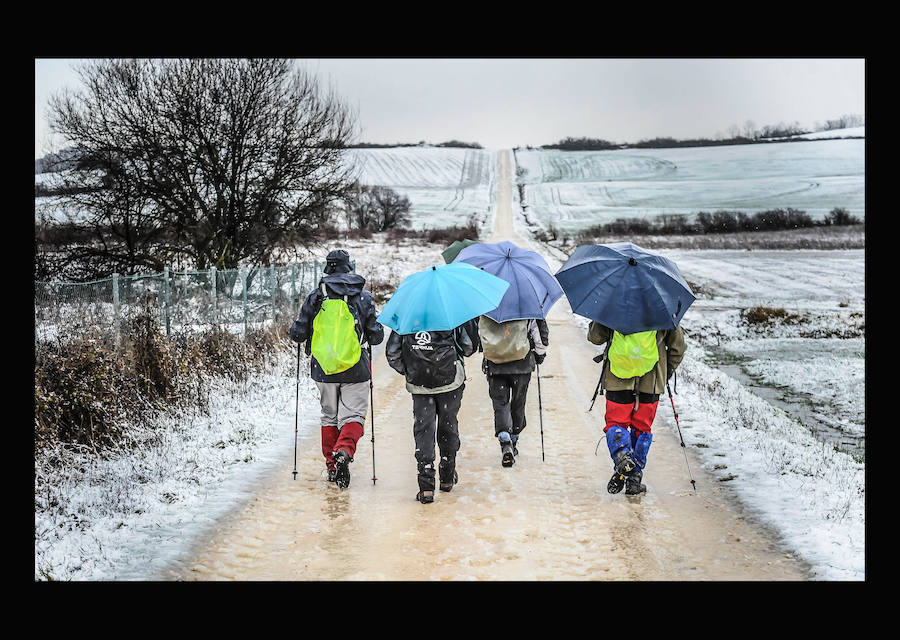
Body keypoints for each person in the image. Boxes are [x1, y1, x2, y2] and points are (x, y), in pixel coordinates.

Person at [289, 249, 384, 489]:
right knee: (354, 416)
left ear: (327, 269)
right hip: (356, 368)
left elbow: (298, 334)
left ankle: (332, 466)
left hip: (323, 368)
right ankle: (344, 450)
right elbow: (376, 337)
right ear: (348, 268)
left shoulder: (316, 296)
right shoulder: (363, 297)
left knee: (329, 416)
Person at [587, 323, 686, 495]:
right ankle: (634, 479)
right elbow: (678, 348)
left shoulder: (613, 304)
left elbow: (595, 337)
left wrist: (600, 318)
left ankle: (622, 458)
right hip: (652, 381)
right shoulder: (663, 309)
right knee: (642, 430)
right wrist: (665, 371)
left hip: (617, 378)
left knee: (616, 424)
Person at [385, 320, 478, 504]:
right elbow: (468, 347)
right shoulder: (451, 313)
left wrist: (412, 370)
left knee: (424, 430)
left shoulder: (408, 315)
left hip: (420, 385)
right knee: (448, 425)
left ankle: (426, 486)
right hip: (450, 381)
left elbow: (392, 353)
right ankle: (447, 476)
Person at [479, 316, 549, 467]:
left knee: (500, 403)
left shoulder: (488, 305)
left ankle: (505, 440)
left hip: (495, 363)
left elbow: (480, 333)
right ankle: (514, 438)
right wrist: (539, 354)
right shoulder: (528, 304)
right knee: (518, 402)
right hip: (521, 364)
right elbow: (539, 334)